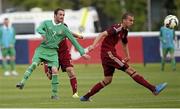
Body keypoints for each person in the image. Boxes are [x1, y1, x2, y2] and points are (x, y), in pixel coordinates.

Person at [80, 13, 167, 101]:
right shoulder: (117, 28)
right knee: (131, 70)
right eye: (130, 20)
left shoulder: (125, 31)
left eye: (133, 20)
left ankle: (85, 97)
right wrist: (93, 45)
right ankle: (154, 89)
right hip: (109, 54)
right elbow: (102, 34)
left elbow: (124, 43)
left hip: (107, 55)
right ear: (124, 20)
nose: (132, 22)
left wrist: (127, 56)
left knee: (107, 80)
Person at [16, 8, 89, 100]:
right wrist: (43, 33)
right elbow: (38, 28)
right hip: (42, 49)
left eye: (63, 15)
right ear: (55, 15)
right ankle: (22, 83)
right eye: (60, 14)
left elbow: (74, 41)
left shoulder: (64, 28)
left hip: (53, 52)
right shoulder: (47, 23)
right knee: (34, 64)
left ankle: (55, 94)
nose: (62, 16)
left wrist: (83, 53)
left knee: (55, 70)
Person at [44, 32, 83, 99]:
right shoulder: (50, 29)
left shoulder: (63, 26)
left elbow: (69, 32)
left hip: (64, 53)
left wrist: (78, 36)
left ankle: (75, 93)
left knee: (70, 70)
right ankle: (46, 66)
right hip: (53, 53)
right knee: (50, 76)